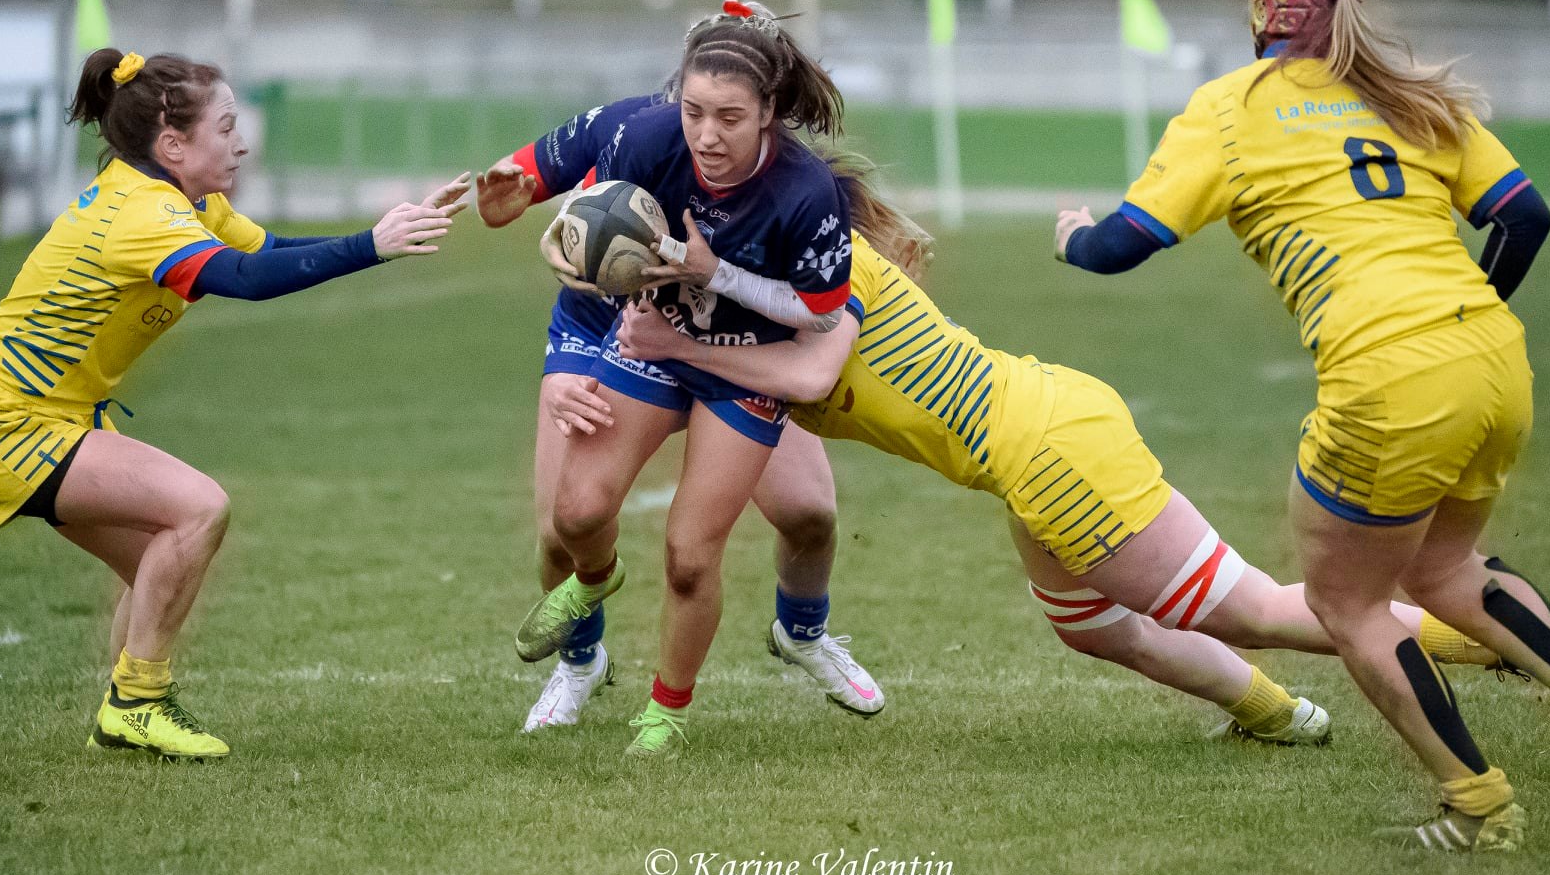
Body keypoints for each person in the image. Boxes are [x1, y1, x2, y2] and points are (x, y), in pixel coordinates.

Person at [1055, 0, 1550, 850]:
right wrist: (1461, 323)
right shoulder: (1410, 94)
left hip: (1391, 379)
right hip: (1494, 361)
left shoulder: (1233, 105)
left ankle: (1480, 808)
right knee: (1444, 568)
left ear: (1263, 1)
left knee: (1347, 604)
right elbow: (1525, 217)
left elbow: (1121, 247)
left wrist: (1071, 233)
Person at [615, 162, 1505, 749]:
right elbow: (721, 370)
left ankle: (1487, 639)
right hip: (1045, 433)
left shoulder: (829, 280)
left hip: (1052, 457)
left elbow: (801, 375)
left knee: (1263, 609)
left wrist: (677, 344)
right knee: (1091, 624)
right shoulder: (770, 298)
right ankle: (1277, 714)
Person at [0, 48, 470, 761]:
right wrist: (371, 247)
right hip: (7, 427)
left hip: (36, 421)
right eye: (226, 127)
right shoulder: (144, 214)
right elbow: (247, 279)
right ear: (172, 145)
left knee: (158, 564)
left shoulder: (186, 203)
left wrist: (381, 233)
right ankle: (138, 701)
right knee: (198, 508)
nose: (241, 141)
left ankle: (123, 711)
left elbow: (270, 250)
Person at [509, 0, 863, 758]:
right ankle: (594, 579)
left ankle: (665, 711)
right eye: (695, 111)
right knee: (574, 515)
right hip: (654, 343)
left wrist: (715, 273)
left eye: (730, 117)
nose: (707, 135)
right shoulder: (645, 139)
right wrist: (578, 332)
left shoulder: (806, 193)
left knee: (691, 553)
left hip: (744, 366)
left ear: (769, 113)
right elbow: (609, 249)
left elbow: (820, 315)